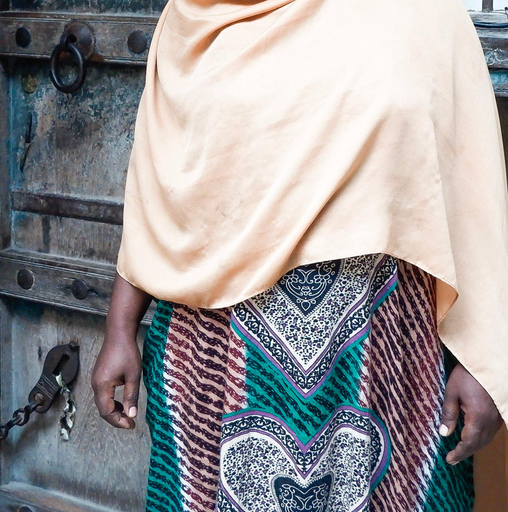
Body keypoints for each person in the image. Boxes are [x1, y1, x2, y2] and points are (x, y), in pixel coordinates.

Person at [92, 0, 508, 510]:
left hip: (383, 358)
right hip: (216, 357)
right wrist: (120, 328)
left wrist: (482, 361)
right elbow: (163, 185)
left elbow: (471, 193)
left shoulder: (423, 15)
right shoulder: (198, 15)